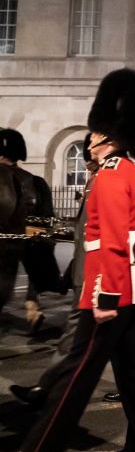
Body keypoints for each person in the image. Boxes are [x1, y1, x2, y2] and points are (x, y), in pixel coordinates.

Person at [20, 68, 135, 452]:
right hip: (128, 291)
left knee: (76, 380)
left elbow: (114, 242)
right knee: (134, 374)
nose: (90, 142)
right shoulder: (128, 171)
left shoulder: (112, 175)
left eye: (96, 134)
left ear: (108, 135)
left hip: (109, 294)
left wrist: (104, 298)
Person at [10, 134, 100, 408]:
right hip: (88, 275)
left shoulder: (106, 180)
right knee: (129, 356)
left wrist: (84, 279)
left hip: (94, 280)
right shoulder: (97, 180)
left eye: (93, 147)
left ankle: (46, 390)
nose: (89, 156)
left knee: (75, 338)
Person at [0, 128, 58, 334]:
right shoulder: (34, 182)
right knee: (36, 256)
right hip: (29, 235)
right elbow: (45, 224)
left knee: (5, 271)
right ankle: (32, 304)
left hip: (5, 239)